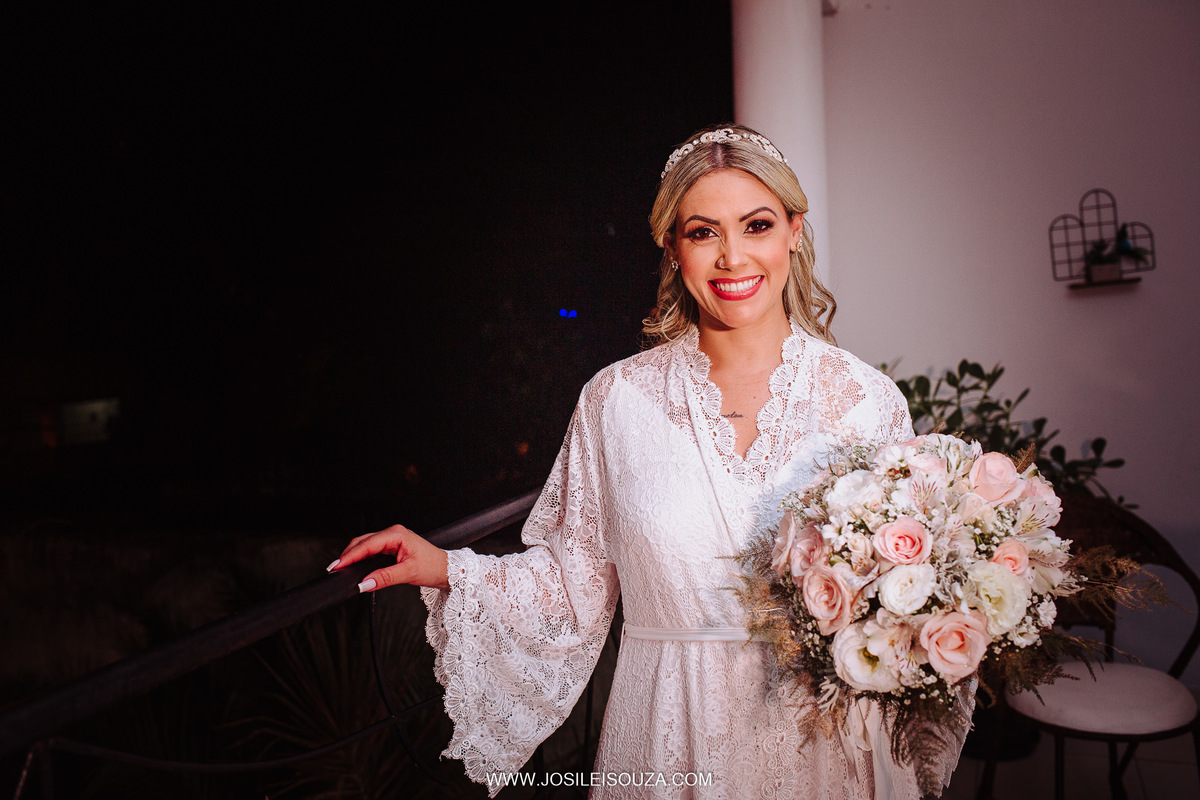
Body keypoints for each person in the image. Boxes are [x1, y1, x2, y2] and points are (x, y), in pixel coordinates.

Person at [331, 125, 964, 798]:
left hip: (826, 743)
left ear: (793, 231)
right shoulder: (616, 401)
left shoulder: (868, 402)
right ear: (672, 247)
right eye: (702, 232)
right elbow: (575, 584)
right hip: (669, 732)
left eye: (755, 225)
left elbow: (910, 595)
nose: (731, 256)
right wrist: (446, 567)